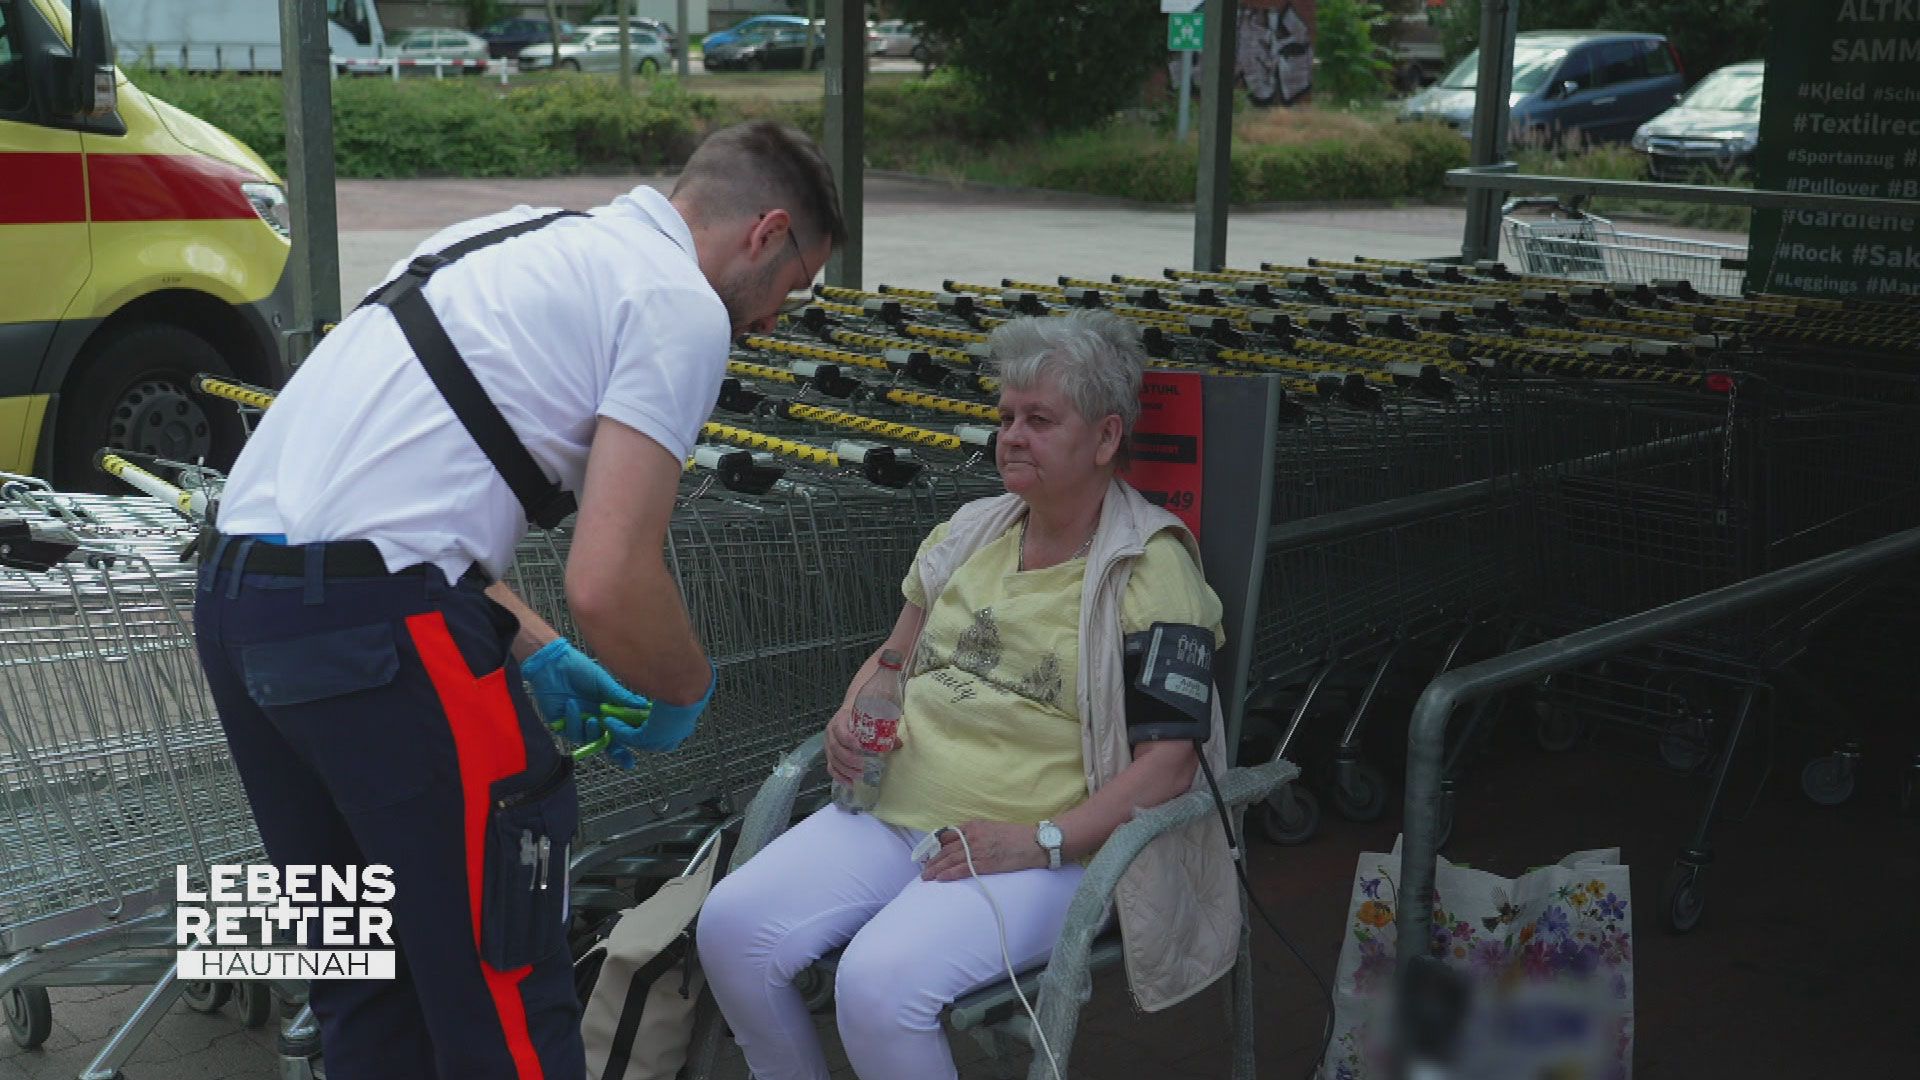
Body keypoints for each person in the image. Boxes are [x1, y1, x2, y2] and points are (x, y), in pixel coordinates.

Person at [192, 121, 842, 1079]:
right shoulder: (681, 306)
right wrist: (685, 692)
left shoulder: (509, 236)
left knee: (355, 979)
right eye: (796, 285)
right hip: (382, 636)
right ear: (766, 230)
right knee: (501, 992)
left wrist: (527, 639)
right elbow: (608, 577)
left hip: (235, 610)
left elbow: (382, 497)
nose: (777, 319)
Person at [696, 311, 1241, 1080]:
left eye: (1040, 420)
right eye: (1006, 417)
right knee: (729, 927)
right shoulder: (973, 529)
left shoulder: (1149, 570)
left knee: (878, 986)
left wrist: (1042, 840)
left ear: (1107, 438)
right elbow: (891, 657)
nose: (1011, 436)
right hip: (892, 815)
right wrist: (852, 716)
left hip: (1038, 853)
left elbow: (1170, 767)